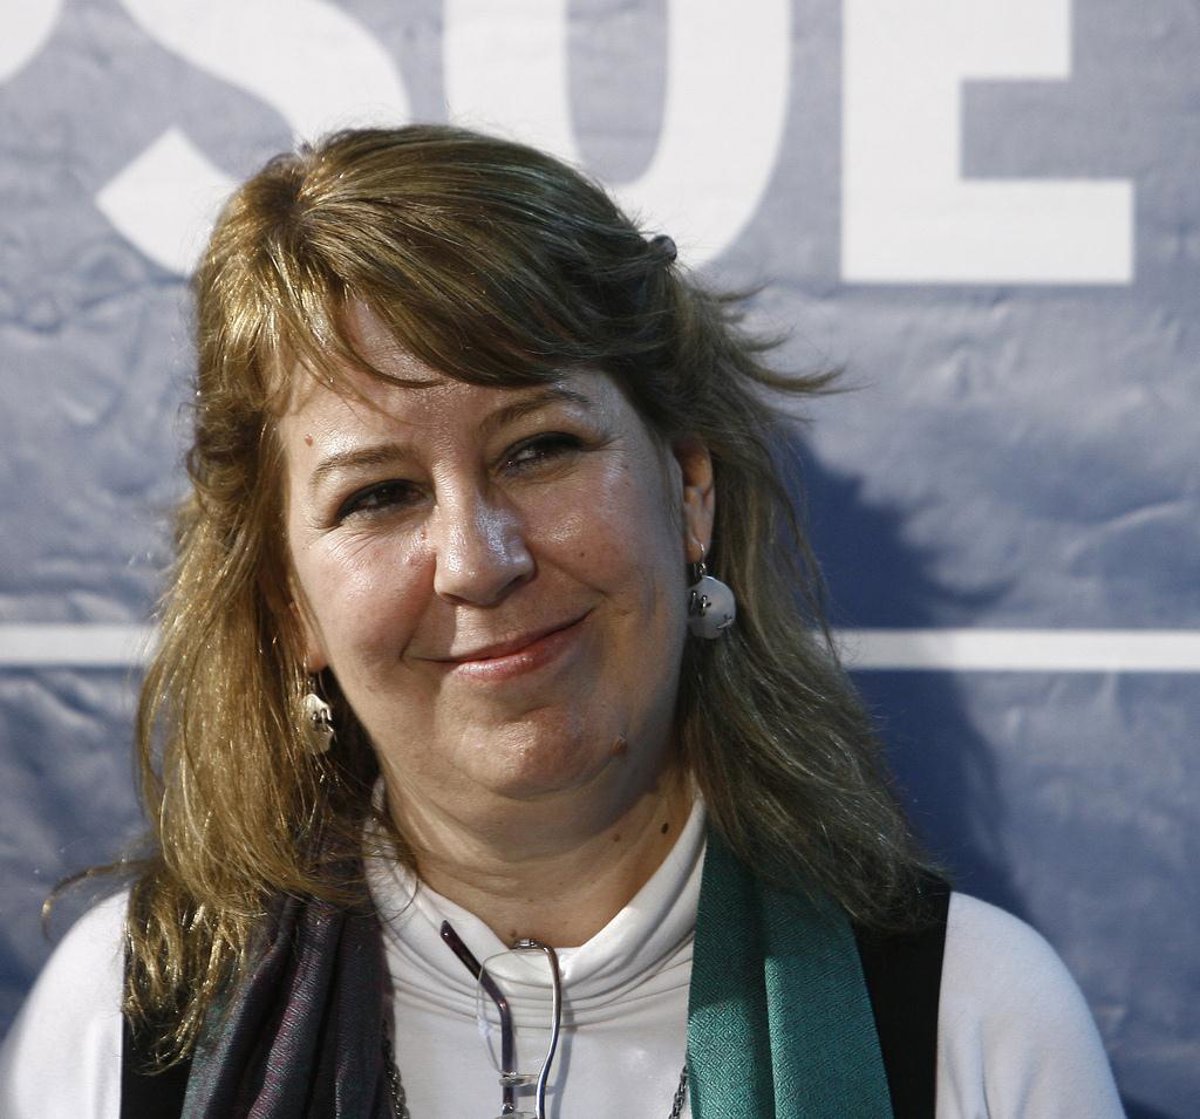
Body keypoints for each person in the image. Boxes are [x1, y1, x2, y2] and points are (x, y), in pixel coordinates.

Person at [0, 125, 1124, 1118]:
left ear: (689, 492)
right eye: (379, 495)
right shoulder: (126, 1027)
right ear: (291, 606)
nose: (480, 562)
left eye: (540, 448)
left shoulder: (972, 1019)